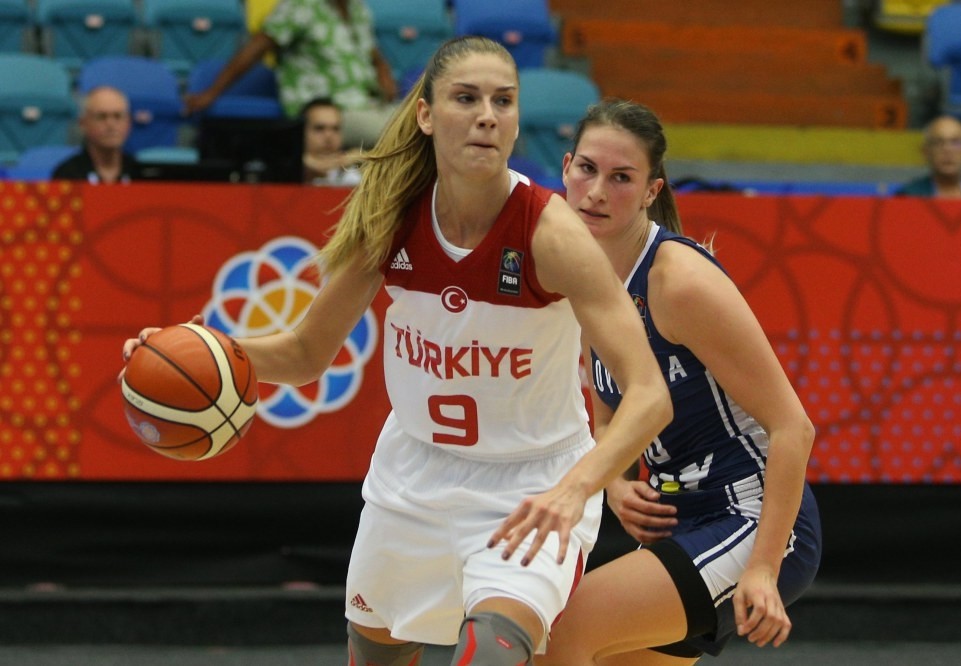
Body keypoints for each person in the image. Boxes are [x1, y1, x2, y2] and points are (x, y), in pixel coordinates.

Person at [122, 37, 672, 665]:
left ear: (518, 121)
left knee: (491, 653)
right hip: (414, 475)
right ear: (426, 115)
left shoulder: (551, 233)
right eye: (466, 99)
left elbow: (649, 394)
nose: (487, 116)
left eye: (503, 101)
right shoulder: (391, 218)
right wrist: (201, 350)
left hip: (532, 482)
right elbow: (305, 353)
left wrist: (577, 488)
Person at [536, 99, 822, 665]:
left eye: (621, 178)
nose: (597, 191)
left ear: (651, 191)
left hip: (752, 519)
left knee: (559, 634)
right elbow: (606, 417)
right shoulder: (585, 274)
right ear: (566, 168)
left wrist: (763, 568)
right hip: (677, 520)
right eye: (588, 169)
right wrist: (617, 487)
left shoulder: (678, 281)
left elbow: (794, 428)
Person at [183, 0, 398, 150]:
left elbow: (371, 51)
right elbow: (257, 48)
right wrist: (212, 93)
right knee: (402, 133)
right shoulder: (300, 5)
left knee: (413, 118)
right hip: (327, 111)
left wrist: (383, 71)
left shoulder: (357, 8)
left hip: (368, 103)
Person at [52, 86, 139, 184]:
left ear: (129, 123)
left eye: (118, 116)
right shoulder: (67, 174)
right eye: (101, 117)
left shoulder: (141, 174)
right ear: (83, 123)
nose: (111, 125)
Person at [895, 114, 961, 199]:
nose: (948, 150)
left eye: (956, 142)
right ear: (926, 151)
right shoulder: (908, 196)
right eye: (938, 142)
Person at [300, 97, 363, 186]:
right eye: (319, 128)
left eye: (335, 129)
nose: (329, 136)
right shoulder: (285, 171)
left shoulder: (356, 171)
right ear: (301, 132)